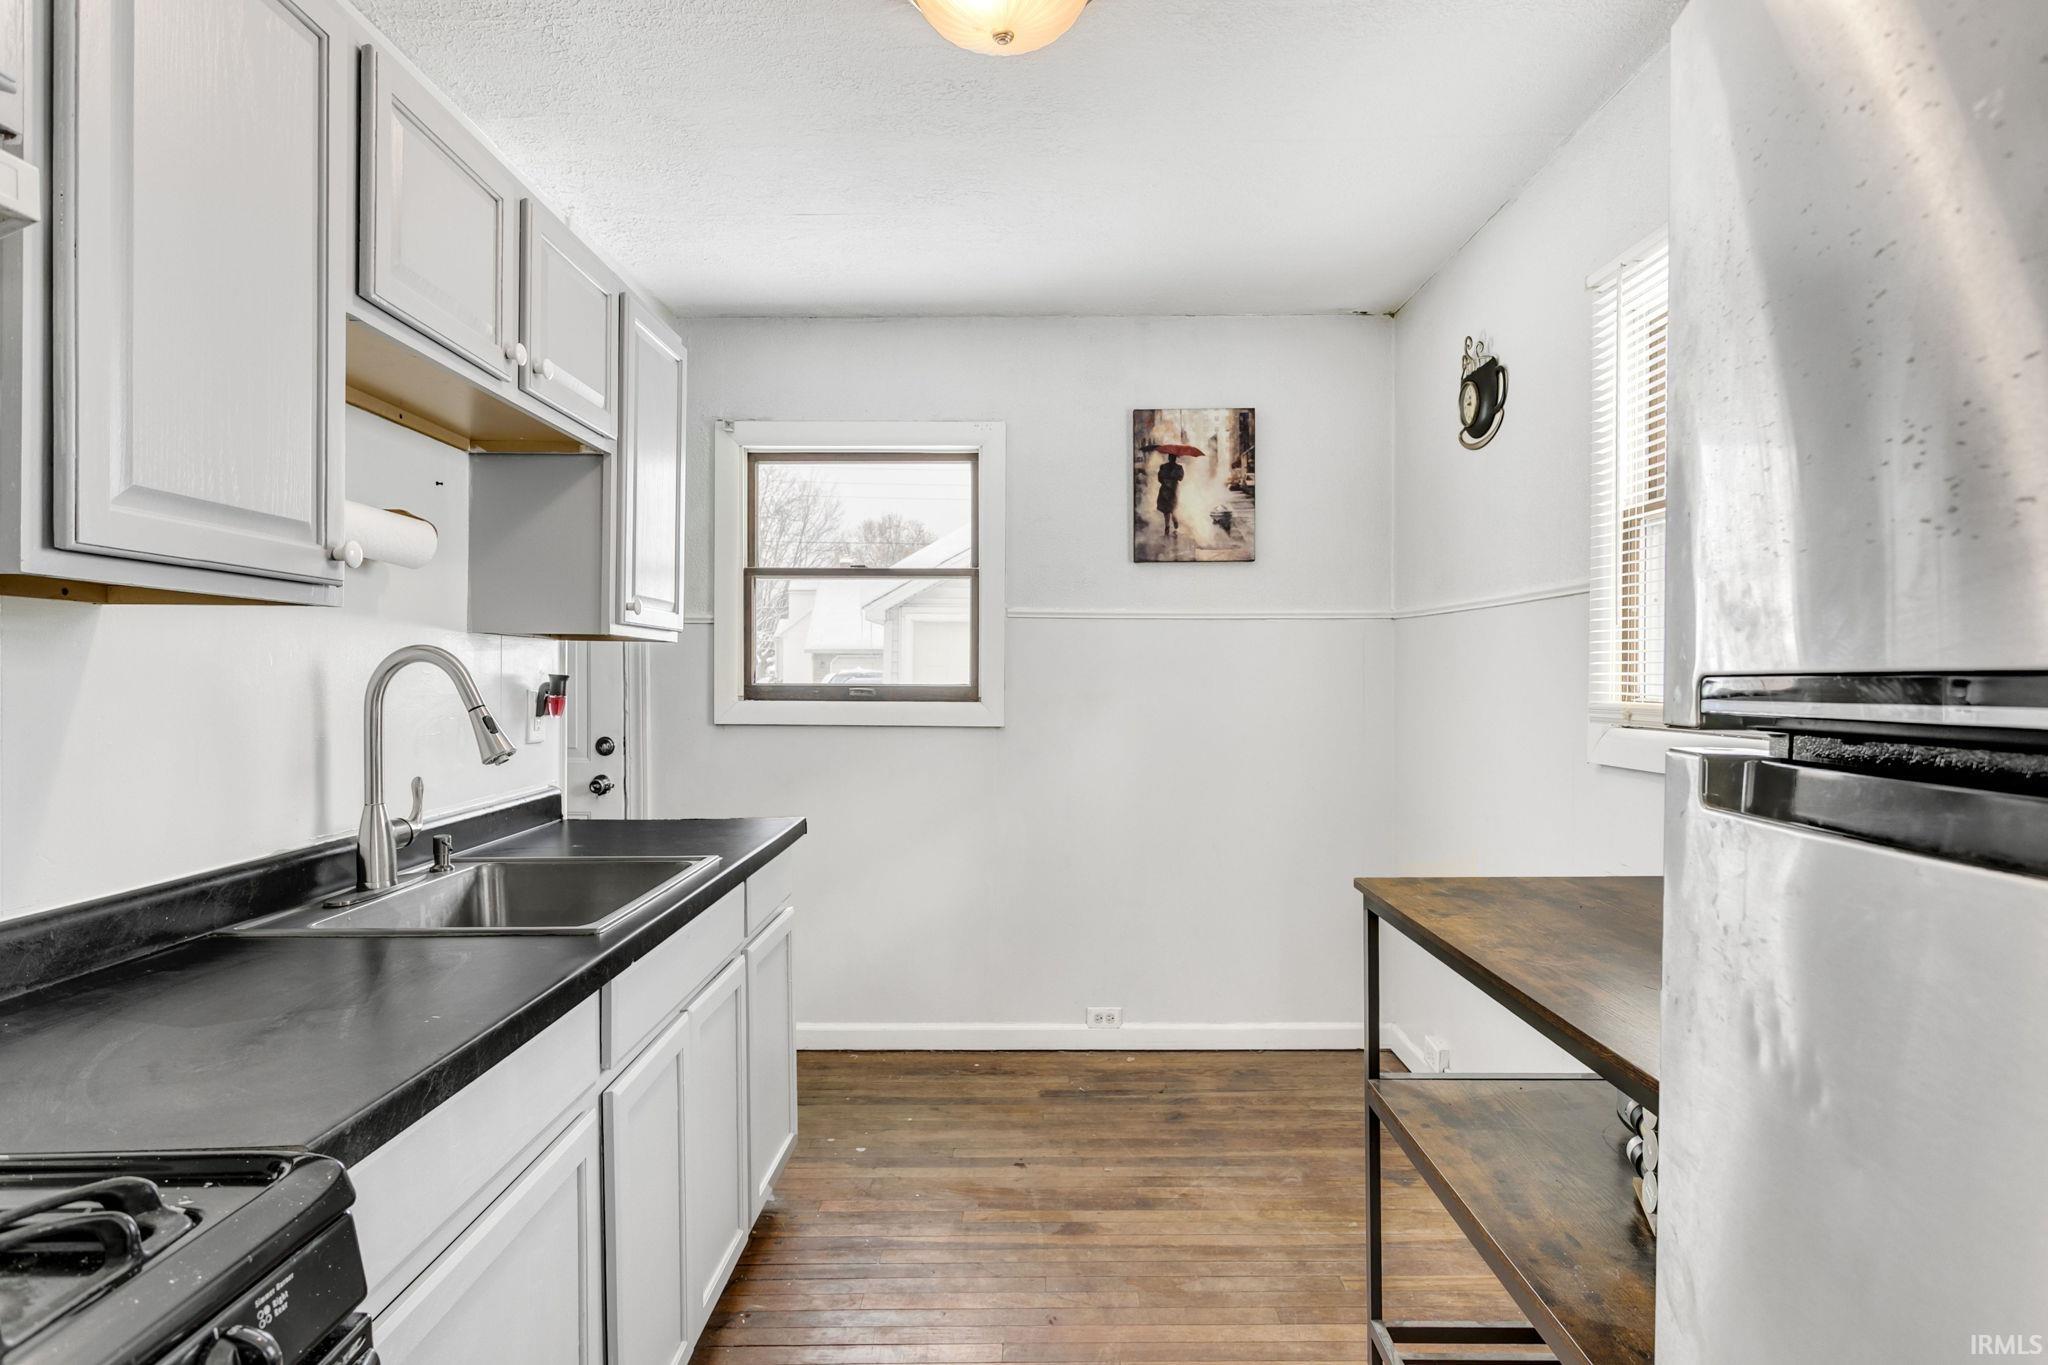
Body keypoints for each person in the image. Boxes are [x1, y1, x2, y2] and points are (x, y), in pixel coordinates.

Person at [1154, 453, 1186, 538]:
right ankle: (1174, 519)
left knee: (1166, 509)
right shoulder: (1179, 468)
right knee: (1173, 507)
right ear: (1175, 459)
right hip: (1174, 489)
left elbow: (1159, 479)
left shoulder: (1163, 467)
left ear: (1168, 458)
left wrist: (1165, 481)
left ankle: (1167, 526)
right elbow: (1181, 478)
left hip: (1165, 489)